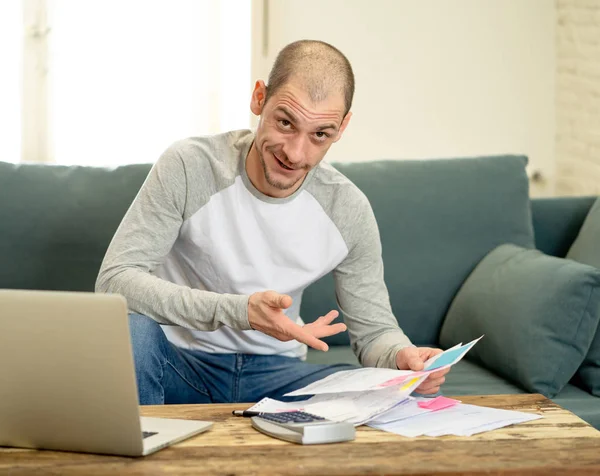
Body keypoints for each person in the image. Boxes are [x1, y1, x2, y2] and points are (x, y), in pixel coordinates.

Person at [96, 40, 450, 405]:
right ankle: (144, 454)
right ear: (259, 98)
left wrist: (402, 357)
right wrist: (241, 311)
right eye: (285, 122)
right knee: (130, 332)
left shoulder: (347, 208)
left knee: (380, 389)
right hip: (182, 365)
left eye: (320, 135)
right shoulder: (190, 165)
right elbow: (115, 282)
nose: (295, 153)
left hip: (279, 376)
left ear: (342, 127)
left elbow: (375, 332)